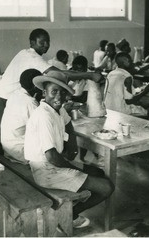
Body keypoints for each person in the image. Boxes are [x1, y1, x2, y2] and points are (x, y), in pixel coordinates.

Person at [0, 28, 103, 155]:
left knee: (7, 136)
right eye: (42, 42)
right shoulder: (31, 57)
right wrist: (90, 75)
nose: (46, 45)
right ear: (32, 42)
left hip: (5, 96)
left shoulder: (25, 53)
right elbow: (59, 73)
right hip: (2, 99)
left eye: (48, 42)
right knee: (5, 139)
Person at [24, 71, 114, 229]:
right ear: (44, 93)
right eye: (54, 91)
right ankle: (70, 214)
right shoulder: (44, 115)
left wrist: (72, 148)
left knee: (98, 173)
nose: (59, 96)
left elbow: (68, 124)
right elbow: (51, 156)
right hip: (46, 171)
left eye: (62, 92)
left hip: (55, 165)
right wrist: (75, 169)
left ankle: (68, 212)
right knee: (107, 187)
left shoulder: (57, 109)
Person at [0, 69, 42, 164]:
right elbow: (43, 123)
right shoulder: (30, 102)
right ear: (35, 86)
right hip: (20, 151)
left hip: (8, 148)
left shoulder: (15, 94)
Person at [104, 52, 149, 117]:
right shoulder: (127, 77)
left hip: (108, 109)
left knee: (141, 106)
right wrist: (145, 91)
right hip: (121, 112)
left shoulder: (111, 74)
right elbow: (129, 101)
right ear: (124, 62)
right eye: (130, 60)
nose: (132, 62)